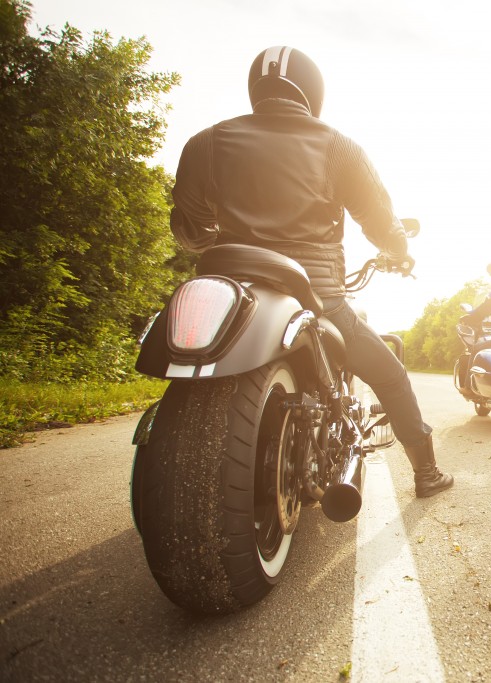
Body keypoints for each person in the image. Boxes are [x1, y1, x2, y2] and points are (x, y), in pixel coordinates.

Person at [168, 45, 452, 498]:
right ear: (312, 90)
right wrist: (398, 249)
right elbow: (380, 220)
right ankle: (427, 473)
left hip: (232, 289)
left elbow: (187, 224)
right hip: (316, 295)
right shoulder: (337, 146)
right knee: (391, 375)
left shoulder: (208, 142)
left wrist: (214, 243)